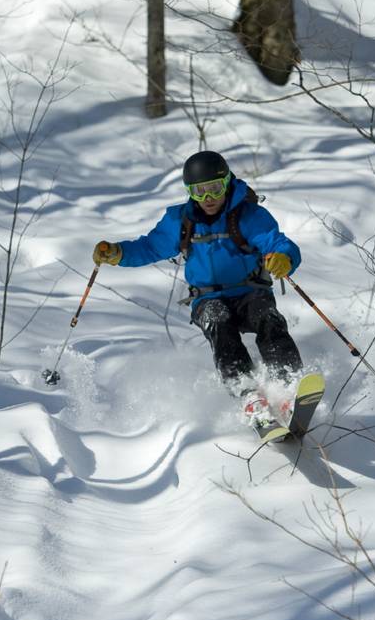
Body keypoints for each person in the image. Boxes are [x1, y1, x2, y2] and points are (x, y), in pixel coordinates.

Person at [92, 151, 304, 426]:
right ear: (189, 192)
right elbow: (150, 247)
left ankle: (287, 385)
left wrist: (284, 258)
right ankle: (248, 394)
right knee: (219, 323)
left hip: (251, 291)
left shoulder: (249, 216)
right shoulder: (180, 221)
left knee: (267, 317)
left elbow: (278, 243)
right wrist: (118, 253)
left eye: (215, 188)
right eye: (199, 191)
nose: (208, 198)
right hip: (208, 298)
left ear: (227, 183)